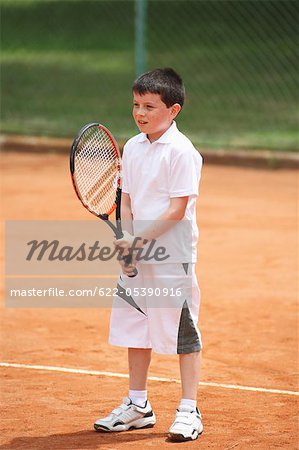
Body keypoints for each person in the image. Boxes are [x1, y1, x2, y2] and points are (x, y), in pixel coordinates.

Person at [94, 68, 203, 442]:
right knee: (136, 328)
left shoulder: (182, 152)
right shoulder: (132, 147)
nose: (140, 113)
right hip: (137, 253)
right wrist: (126, 239)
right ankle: (138, 405)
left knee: (182, 332)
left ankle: (190, 410)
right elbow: (125, 197)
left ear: (173, 110)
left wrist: (137, 241)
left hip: (172, 256)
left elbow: (176, 210)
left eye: (150, 106)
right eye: (136, 105)